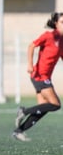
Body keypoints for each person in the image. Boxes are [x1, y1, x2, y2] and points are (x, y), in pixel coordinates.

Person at [13, 12, 63, 141]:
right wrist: (29, 64)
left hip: (46, 76)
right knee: (55, 104)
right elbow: (32, 46)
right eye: (62, 22)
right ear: (56, 24)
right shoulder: (49, 36)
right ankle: (24, 111)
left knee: (43, 107)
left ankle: (19, 130)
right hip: (40, 74)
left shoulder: (61, 40)